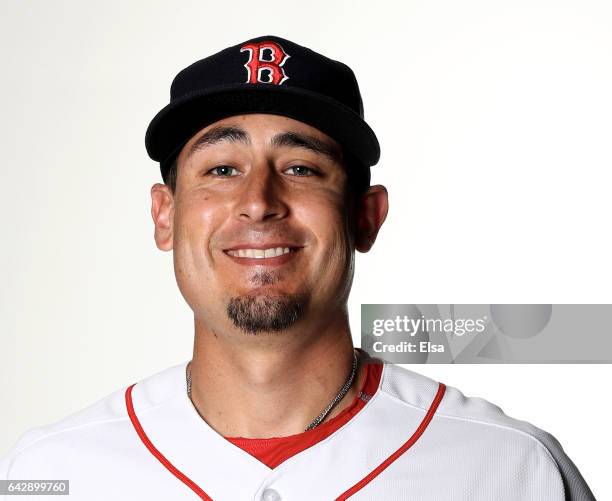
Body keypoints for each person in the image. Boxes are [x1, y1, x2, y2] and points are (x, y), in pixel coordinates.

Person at [0, 35, 596, 501]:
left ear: (366, 217)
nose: (258, 201)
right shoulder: (53, 472)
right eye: (221, 169)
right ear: (165, 215)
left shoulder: (514, 469)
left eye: (302, 168)